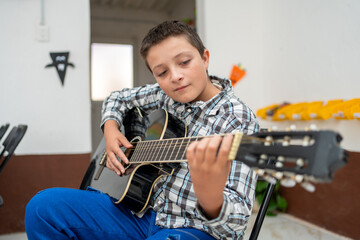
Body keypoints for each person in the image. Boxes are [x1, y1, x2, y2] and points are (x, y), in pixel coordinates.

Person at [25, 20, 259, 240]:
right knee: (42, 208)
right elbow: (117, 98)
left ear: (205, 58)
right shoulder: (164, 95)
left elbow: (235, 227)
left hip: (194, 228)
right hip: (138, 213)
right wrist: (110, 129)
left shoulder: (238, 118)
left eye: (184, 62)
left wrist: (211, 199)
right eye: (162, 72)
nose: (175, 76)